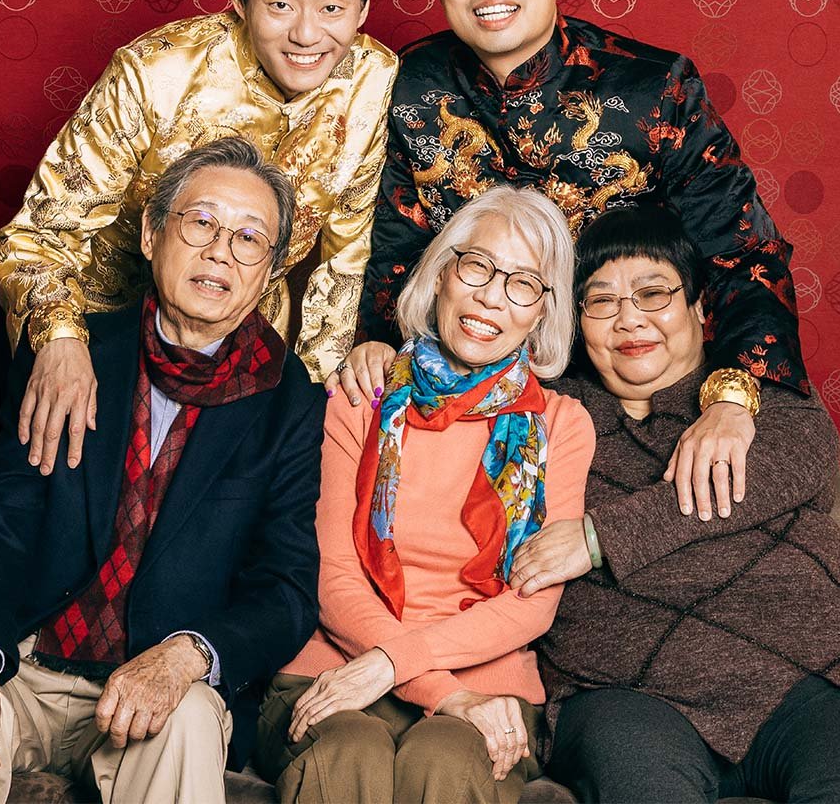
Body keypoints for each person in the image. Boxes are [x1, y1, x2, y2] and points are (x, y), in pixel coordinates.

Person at [338, 0, 804, 521]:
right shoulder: (409, 83)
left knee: (749, 477)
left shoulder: (653, 89)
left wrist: (731, 398)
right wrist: (377, 342)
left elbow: (744, 252)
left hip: (632, 377)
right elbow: (395, 250)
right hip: (475, 380)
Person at [0, 138, 325, 803]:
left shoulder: (290, 401)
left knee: (186, 724)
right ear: (151, 234)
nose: (220, 252)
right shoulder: (71, 354)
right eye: (201, 222)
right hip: (25, 667)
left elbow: (286, 589)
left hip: (161, 686)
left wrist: (189, 655)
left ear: (269, 270)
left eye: (248, 238)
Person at [510, 205, 840, 803]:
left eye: (653, 294)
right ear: (576, 322)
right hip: (626, 694)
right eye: (601, 301)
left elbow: (805, 453)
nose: (629, 319)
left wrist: (598, 538)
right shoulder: (544, 414)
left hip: (820, 678)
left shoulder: (755, 394)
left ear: (699, 309)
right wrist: (382, 353)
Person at [0, 0, 397, 475]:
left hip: (244, 343)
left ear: (363, 8)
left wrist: (310, 412)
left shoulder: (372, 79)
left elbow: (343, 264)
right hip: (100, 337)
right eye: (280, 4)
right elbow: (34, 237)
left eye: (333, 7)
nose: (307, 34)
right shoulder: (154, 73)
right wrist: (61, 340)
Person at [253, 186, 594, 804]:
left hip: (488, 691)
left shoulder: (562, 424)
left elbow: (531, 603)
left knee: (445, 760)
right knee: (348, 752)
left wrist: (395, 665)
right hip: (334, 669)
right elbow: (329, 573)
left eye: (523, 283)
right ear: (441, 275)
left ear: (543, 311)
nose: (491, 296)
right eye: (478, 266)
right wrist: (440, 690)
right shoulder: (364, 394)